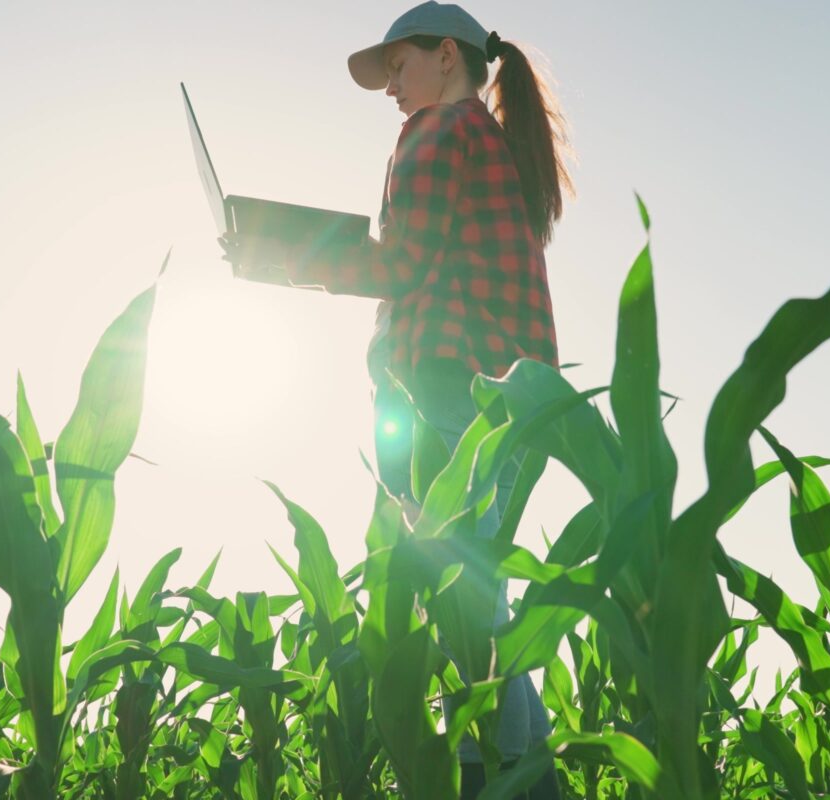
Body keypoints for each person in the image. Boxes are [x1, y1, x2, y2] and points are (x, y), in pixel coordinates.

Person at [219, 3, 570, 798]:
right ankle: (532, 779)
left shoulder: (437, 134)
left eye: (397, 68)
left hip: (454, 391)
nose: (390, 90)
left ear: (445, 57)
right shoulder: (493, 144)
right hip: (514, 401)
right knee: (482, 593)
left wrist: (269, 254)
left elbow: (399, 265)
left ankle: (490, 775)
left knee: (460, 603)